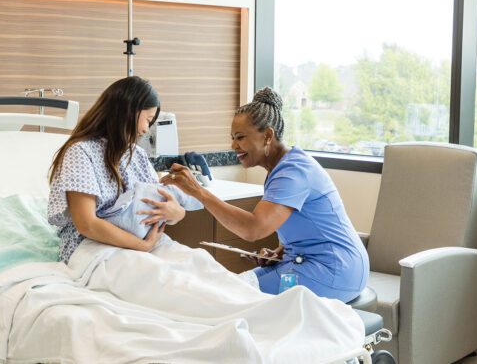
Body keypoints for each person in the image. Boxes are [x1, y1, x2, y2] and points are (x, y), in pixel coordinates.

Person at [153, 87, 369, 303]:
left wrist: (198, 192)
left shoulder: (294, 172)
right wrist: (280, 252)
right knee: (231, 285)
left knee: (231, 296)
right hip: (314, 263)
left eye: (240, 138)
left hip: (334, 270)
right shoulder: (283, 167)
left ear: (267, 135)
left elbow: (253, 229)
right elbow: (311, 227)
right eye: (232, 138)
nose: (233, 146)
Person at [47, 76, 187, 261]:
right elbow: (87, 224)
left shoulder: (137, 154)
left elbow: (155, 204)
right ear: (129, 112)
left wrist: (177, 214)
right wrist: (142, 246)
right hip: (93, 245)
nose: (146, 129)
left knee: (194, 264)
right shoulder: (81, 152)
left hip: (142, 242)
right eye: (148, 119)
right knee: (159, 278)